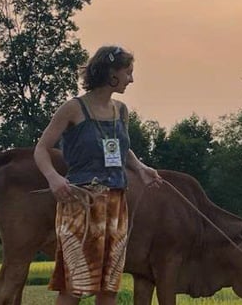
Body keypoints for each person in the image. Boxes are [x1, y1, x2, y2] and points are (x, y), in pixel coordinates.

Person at [34, 45, 162, 305]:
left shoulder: (121, 111)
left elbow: (121, 148)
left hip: (116, 204)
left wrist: (140, 167)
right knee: (75, 286)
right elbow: (41, 149)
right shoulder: (73, 108)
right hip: (81, 202)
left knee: (109, 287)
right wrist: (53, 178)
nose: (131, 79)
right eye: (128, 72)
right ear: (112, 74)